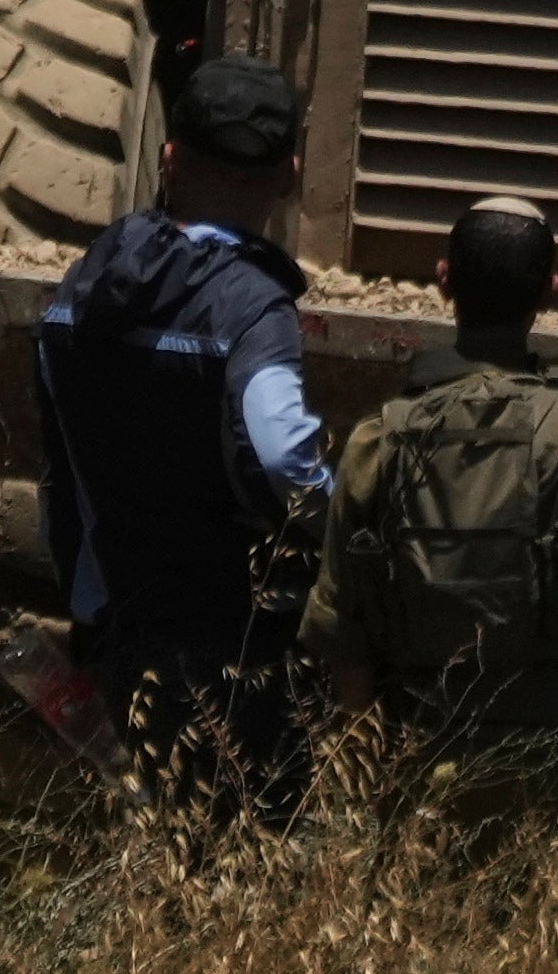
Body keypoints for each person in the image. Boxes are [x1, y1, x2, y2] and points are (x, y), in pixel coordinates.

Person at [309, 195, 558, 796]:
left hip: (424, 766)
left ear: (444, 281)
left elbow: (342, 630)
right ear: (549, 290)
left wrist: (370, 766)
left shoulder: (377, 443)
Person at [37, 52, 338, 813]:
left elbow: (60, 462)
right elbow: (280, 457)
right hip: (219, 651)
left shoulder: (84, 284)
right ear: (290, 175)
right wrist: (344, 530)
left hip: (108, 626)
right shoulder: (251, 305)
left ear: (170, 159)